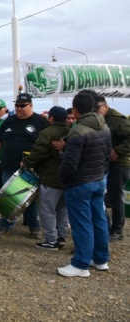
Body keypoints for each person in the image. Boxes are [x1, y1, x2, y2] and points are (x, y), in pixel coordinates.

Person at [57, 93, 111, 277]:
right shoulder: (105, 127)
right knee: (99, 220)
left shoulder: (77, 131)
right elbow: (106, 156)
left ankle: (81, 264)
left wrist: (63, 179)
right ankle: (101, 259)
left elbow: (70, 164)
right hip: (97, 180)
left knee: (82, 224)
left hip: (79, 184)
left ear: (75, 110)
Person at [0, 93, 46, 239]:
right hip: (8, 165)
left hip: (30, 169)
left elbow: (46, 144)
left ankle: (34, 226)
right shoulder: (9, 121)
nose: (19, 108)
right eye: (17, 105)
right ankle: (6, 225)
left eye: (23, 106)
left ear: (31, 105)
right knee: (8, 197)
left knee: (28, 198)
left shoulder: (40, 121)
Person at [22, 106, 70, 250]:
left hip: (51, 177)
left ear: (51, 118)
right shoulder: (71, 132)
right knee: (62, 209)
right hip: (67, 178)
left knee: (47, 209)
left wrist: (27, 162)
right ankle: (61, 236)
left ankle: (50, 240)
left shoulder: (47, 132)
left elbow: (38, 153)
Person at [96, 96, 130, 241]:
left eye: (98, 108)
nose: (96, 112)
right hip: (105, 163)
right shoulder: (98, 120)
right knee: (103, 197)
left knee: (116, 197)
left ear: (106, 106)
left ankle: (117, 230)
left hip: (120, 164)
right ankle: (107, 226)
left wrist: (117, 151)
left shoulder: (118, 120)